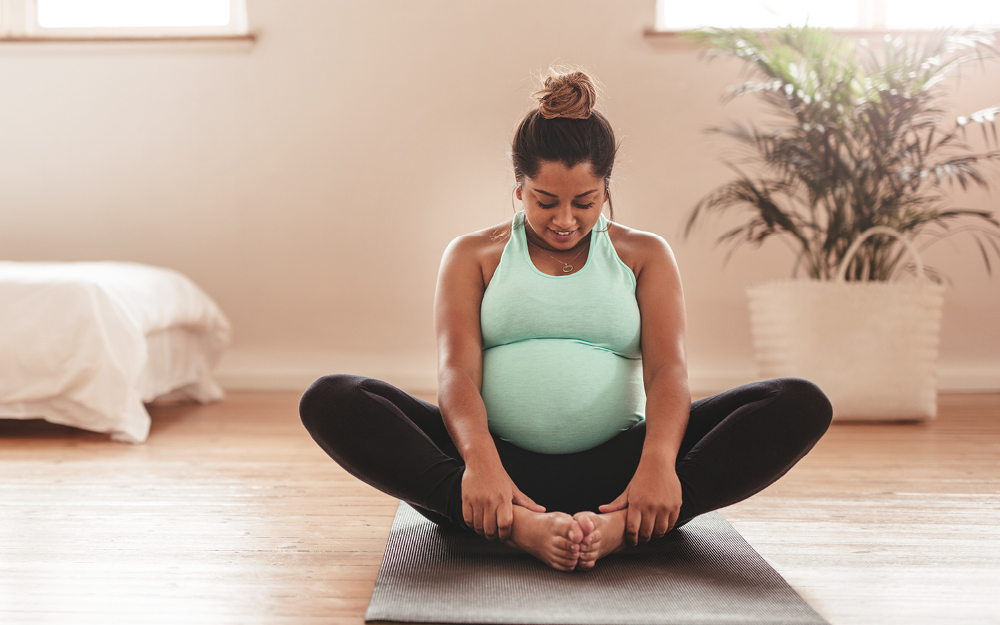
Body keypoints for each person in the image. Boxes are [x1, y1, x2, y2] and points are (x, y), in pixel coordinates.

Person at [299, 68, 832, 572]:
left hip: (618, 470)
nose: (565, 220)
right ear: (518, 187)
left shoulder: (644, 255)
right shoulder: (472, 255)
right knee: (333, 397)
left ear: (606, 190)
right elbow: (456, 374)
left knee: (798, 402)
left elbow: (668, 372)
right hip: (495, 468)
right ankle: (516, 524)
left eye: (586, 202)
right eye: (545, 201)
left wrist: (658, 464)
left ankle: (626, 523)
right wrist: (481, 465)